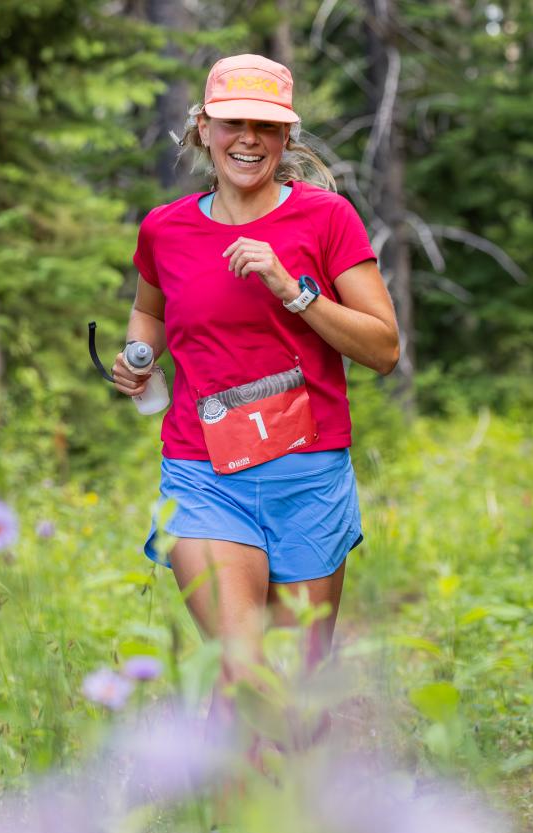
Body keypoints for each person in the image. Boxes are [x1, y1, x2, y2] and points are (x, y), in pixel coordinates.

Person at [109, 54, 398, 728]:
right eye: (233, 122)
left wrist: (296, 292)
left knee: (298, 695)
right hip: (204, 476)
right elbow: (149, 311)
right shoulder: (166, 228)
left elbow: (383, 349)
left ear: (287, 137)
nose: (249, 138)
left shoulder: (326, 221)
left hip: (309, 476)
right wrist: (138, 358)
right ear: (204, 128)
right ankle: (227, 827)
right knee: (244, 675)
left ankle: (300, 823)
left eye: (266, 127)